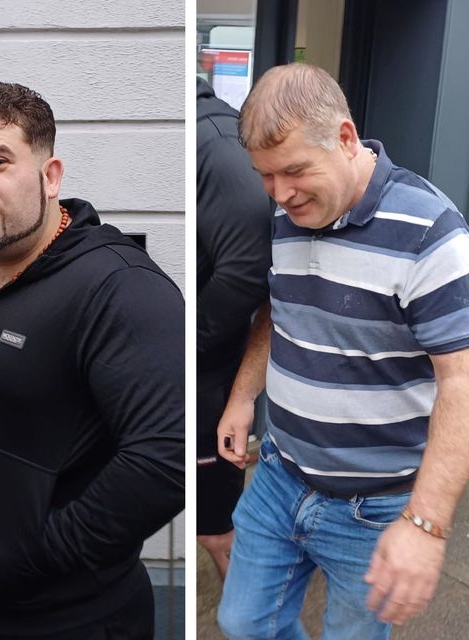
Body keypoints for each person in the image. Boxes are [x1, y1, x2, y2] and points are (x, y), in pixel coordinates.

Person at [216, 62, 469, 638]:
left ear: (345, 138)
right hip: (280, 476)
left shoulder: (430, 234)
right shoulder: (288, 214)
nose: (280, 193)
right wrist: (242, 398)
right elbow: (278, 310)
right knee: (241, 623)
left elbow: (465, 385)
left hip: (375, 508)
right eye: (266, 176)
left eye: (294, 171)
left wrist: (425, 523)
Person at [0, 82, 185, 638]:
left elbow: (164, 457)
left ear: (50, 176)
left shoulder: (120, 287)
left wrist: (40, 555)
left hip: (66, 618)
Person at [196, 76, 273, 577]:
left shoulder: (218, 147)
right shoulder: (201, 137)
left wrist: (182, 345)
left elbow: (247, 273)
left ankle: (247, 610)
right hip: (196, 376)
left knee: (216, 530)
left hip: (207, 383)